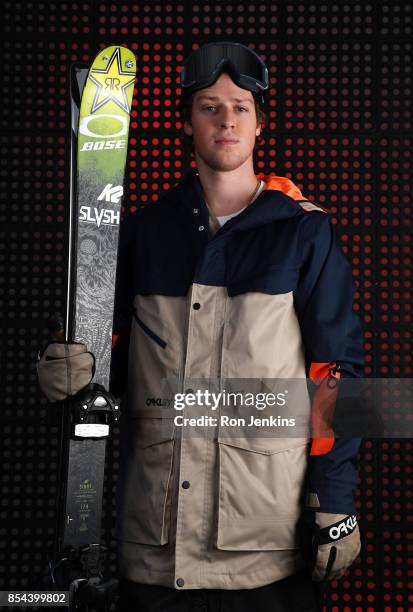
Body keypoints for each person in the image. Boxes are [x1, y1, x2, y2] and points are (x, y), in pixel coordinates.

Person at [38, 41, 364, 612]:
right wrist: (66, 372)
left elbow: (339, 374)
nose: (226, 119)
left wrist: (335, 499)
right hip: (155, 552)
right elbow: (103, 359)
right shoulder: (144, 233)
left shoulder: (304, 233)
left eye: (240, 106)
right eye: (210, 107)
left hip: (267, 552)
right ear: (186, 122)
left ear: (261, 124)